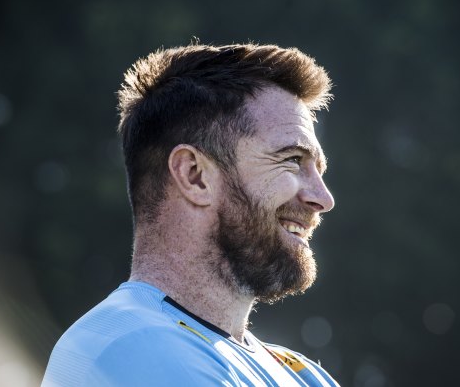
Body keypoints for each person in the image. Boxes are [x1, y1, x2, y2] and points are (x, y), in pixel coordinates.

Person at [42, 43, 338, 386]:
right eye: (291, 160)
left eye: (319, 170)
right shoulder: (130, 347)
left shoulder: (303, 374)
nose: (323, 198)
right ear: (194, 175)